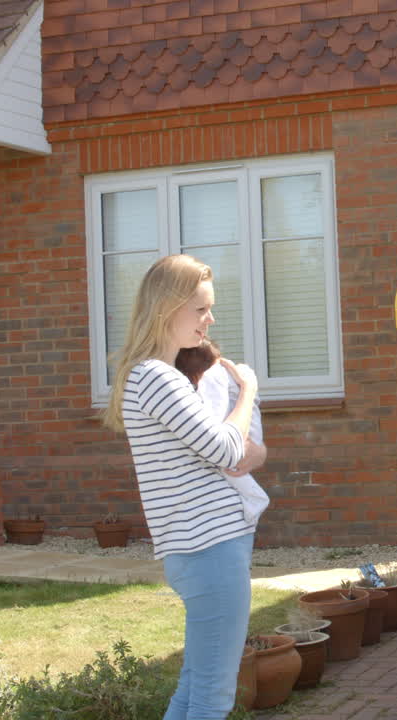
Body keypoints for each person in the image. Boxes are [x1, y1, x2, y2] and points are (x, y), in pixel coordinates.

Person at [100, 254, 266, 719]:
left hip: (202, 550)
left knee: (194, 692)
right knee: (212, 700)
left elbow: (237, 451)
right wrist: (248, 389)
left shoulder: (159, 376)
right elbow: (229, 451)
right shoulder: (156, 377)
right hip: (208, 551)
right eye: (200, 309)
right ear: (165, 308)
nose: (209, 320)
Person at [176, 340, 270, 523]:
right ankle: (254, 500)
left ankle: (254, 501)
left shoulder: (211, 376)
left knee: (231, 471)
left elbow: (216, 414)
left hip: (236, 435)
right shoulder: (227, 372)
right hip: (247, 428)